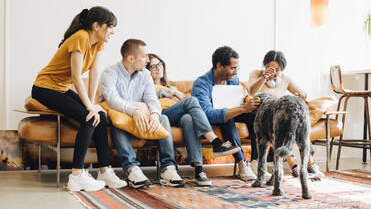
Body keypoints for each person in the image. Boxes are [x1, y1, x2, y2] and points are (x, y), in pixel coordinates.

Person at [31, 6, 127, 191]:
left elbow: (94, 73)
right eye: (110, 26)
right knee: (88, 118)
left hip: (61, 89)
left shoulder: (98, 43)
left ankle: (104, 170)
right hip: (44, 88)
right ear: (97, 26)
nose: (113, 31)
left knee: (101, 117)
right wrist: (89, 107)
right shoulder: (81, 37)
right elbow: (76, 77)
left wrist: (92, 104)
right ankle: (77, 175)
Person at [100, 39, 186, 189]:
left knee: (163, 118)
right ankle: (132, 169)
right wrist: (134, 111)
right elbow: (113, 100)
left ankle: (168, 168)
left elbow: (152, 99)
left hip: (140, 115)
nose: (147, 60)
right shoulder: (110, 72)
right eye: (144, 56)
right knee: (118, 122)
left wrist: (154, 115)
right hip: (117, 116)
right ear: (131, 58)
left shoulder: (145, 74)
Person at [146, 53, 241, 186]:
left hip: (176, 115)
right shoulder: (146, 85)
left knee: (188, 119)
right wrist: (173, 94)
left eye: (160, 64)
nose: (158, 68)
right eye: (153, 66)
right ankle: (215, 141)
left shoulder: (169, 86)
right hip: (161, 115)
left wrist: (176, 95)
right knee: (192, 100)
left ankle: (199, 170)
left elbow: (184, 104)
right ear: (146, 70)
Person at [248, 50, 324, 178]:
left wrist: (302, 96)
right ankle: (296, 164)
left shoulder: (285, 79)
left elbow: (301, 92)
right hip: (260, 114)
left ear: (282, 70)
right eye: (268, 67)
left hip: (277, 114)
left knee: (294, 124)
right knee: (280, 127)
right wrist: (264, 78)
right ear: (264, 66)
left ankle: (306, 164)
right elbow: (251, 92)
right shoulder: (256, 74)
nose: (272, 72)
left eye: (276, 69)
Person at [191, 46, 261, 181]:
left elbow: (238, 102)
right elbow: (206, 114)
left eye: (237, 68)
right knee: (227, 118)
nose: (235, 72)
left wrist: (248, 105)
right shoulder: (201, 84)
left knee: (256, 117)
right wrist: (239, 110)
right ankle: (242, 163)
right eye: (232, 68)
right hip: (213, 117)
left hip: (231, 111)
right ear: (219, 66)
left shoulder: (233, 80)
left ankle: (256, 162)